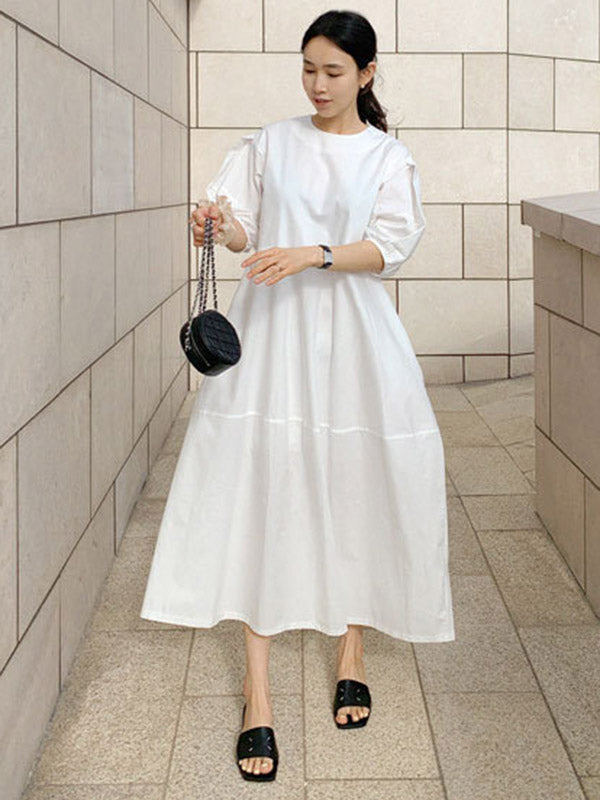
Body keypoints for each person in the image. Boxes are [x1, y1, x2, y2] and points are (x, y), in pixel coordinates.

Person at [140, 9, 455, 783]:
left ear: (366, 74)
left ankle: (352, 652)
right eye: (309, 69)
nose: (317, 84)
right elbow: (243, 231)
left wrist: (312, 254)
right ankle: (258, 695)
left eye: (333, 72)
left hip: (356, 345)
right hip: (272, 342)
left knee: (355, 484)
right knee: (262, 490)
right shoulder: (271, 143)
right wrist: (217, 225)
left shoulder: (387, 157)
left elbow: (390, 246)